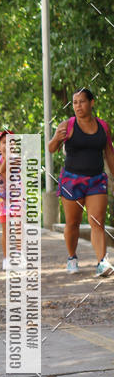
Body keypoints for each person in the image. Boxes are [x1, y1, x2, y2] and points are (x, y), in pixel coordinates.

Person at [48, 87, 114, 277]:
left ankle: (102, 262)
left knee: (97, 221)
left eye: (82, 102)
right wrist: (56, 138)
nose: (78, 106)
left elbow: (109, 152)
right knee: (72, 223)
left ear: (91, 103)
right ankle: (71, 257)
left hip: (96, 179)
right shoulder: (67, 125)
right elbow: (52, 148)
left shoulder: (103, 126)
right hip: (71, 180)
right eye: (75, 102)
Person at [0, 129, 22, 270]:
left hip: (16, 197)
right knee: (6, 230)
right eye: (4, 143)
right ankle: (6, 258)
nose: (7, 145)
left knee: (18, 227)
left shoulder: (17, 159)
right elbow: (2, 170)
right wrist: (6, 156)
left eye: (11, 142)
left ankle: (20, 256)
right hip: (1, 198)